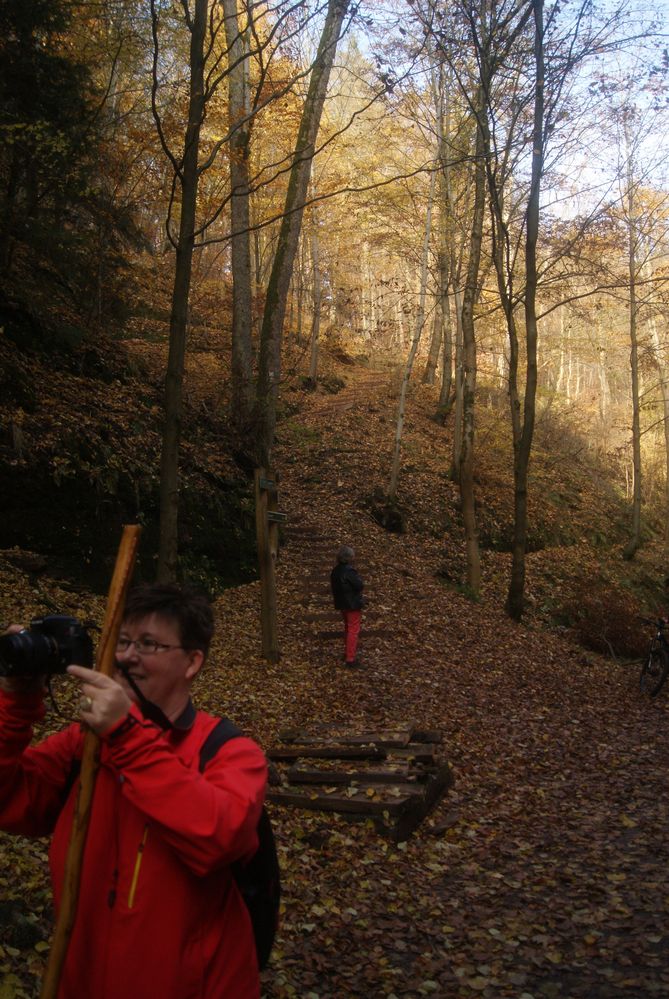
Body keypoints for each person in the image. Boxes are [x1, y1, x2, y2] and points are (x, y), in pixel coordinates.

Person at [0, 583, 268, 999]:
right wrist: (15, 705)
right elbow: (10, 800)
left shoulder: (229, 751)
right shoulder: (84, 745)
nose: (125, 656)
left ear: (192, 662)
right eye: (122, 641)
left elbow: (219, 836)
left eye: (148, 644)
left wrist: (126, 734)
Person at [330, 544, 364, 667]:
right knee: (353, 630)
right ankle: (350, 658)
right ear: (349, 557)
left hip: (342, 604)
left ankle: (348, 653)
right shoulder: (349, 571)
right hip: (352, 604)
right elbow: (359, 585)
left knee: (348, 628)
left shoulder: (335, 570)